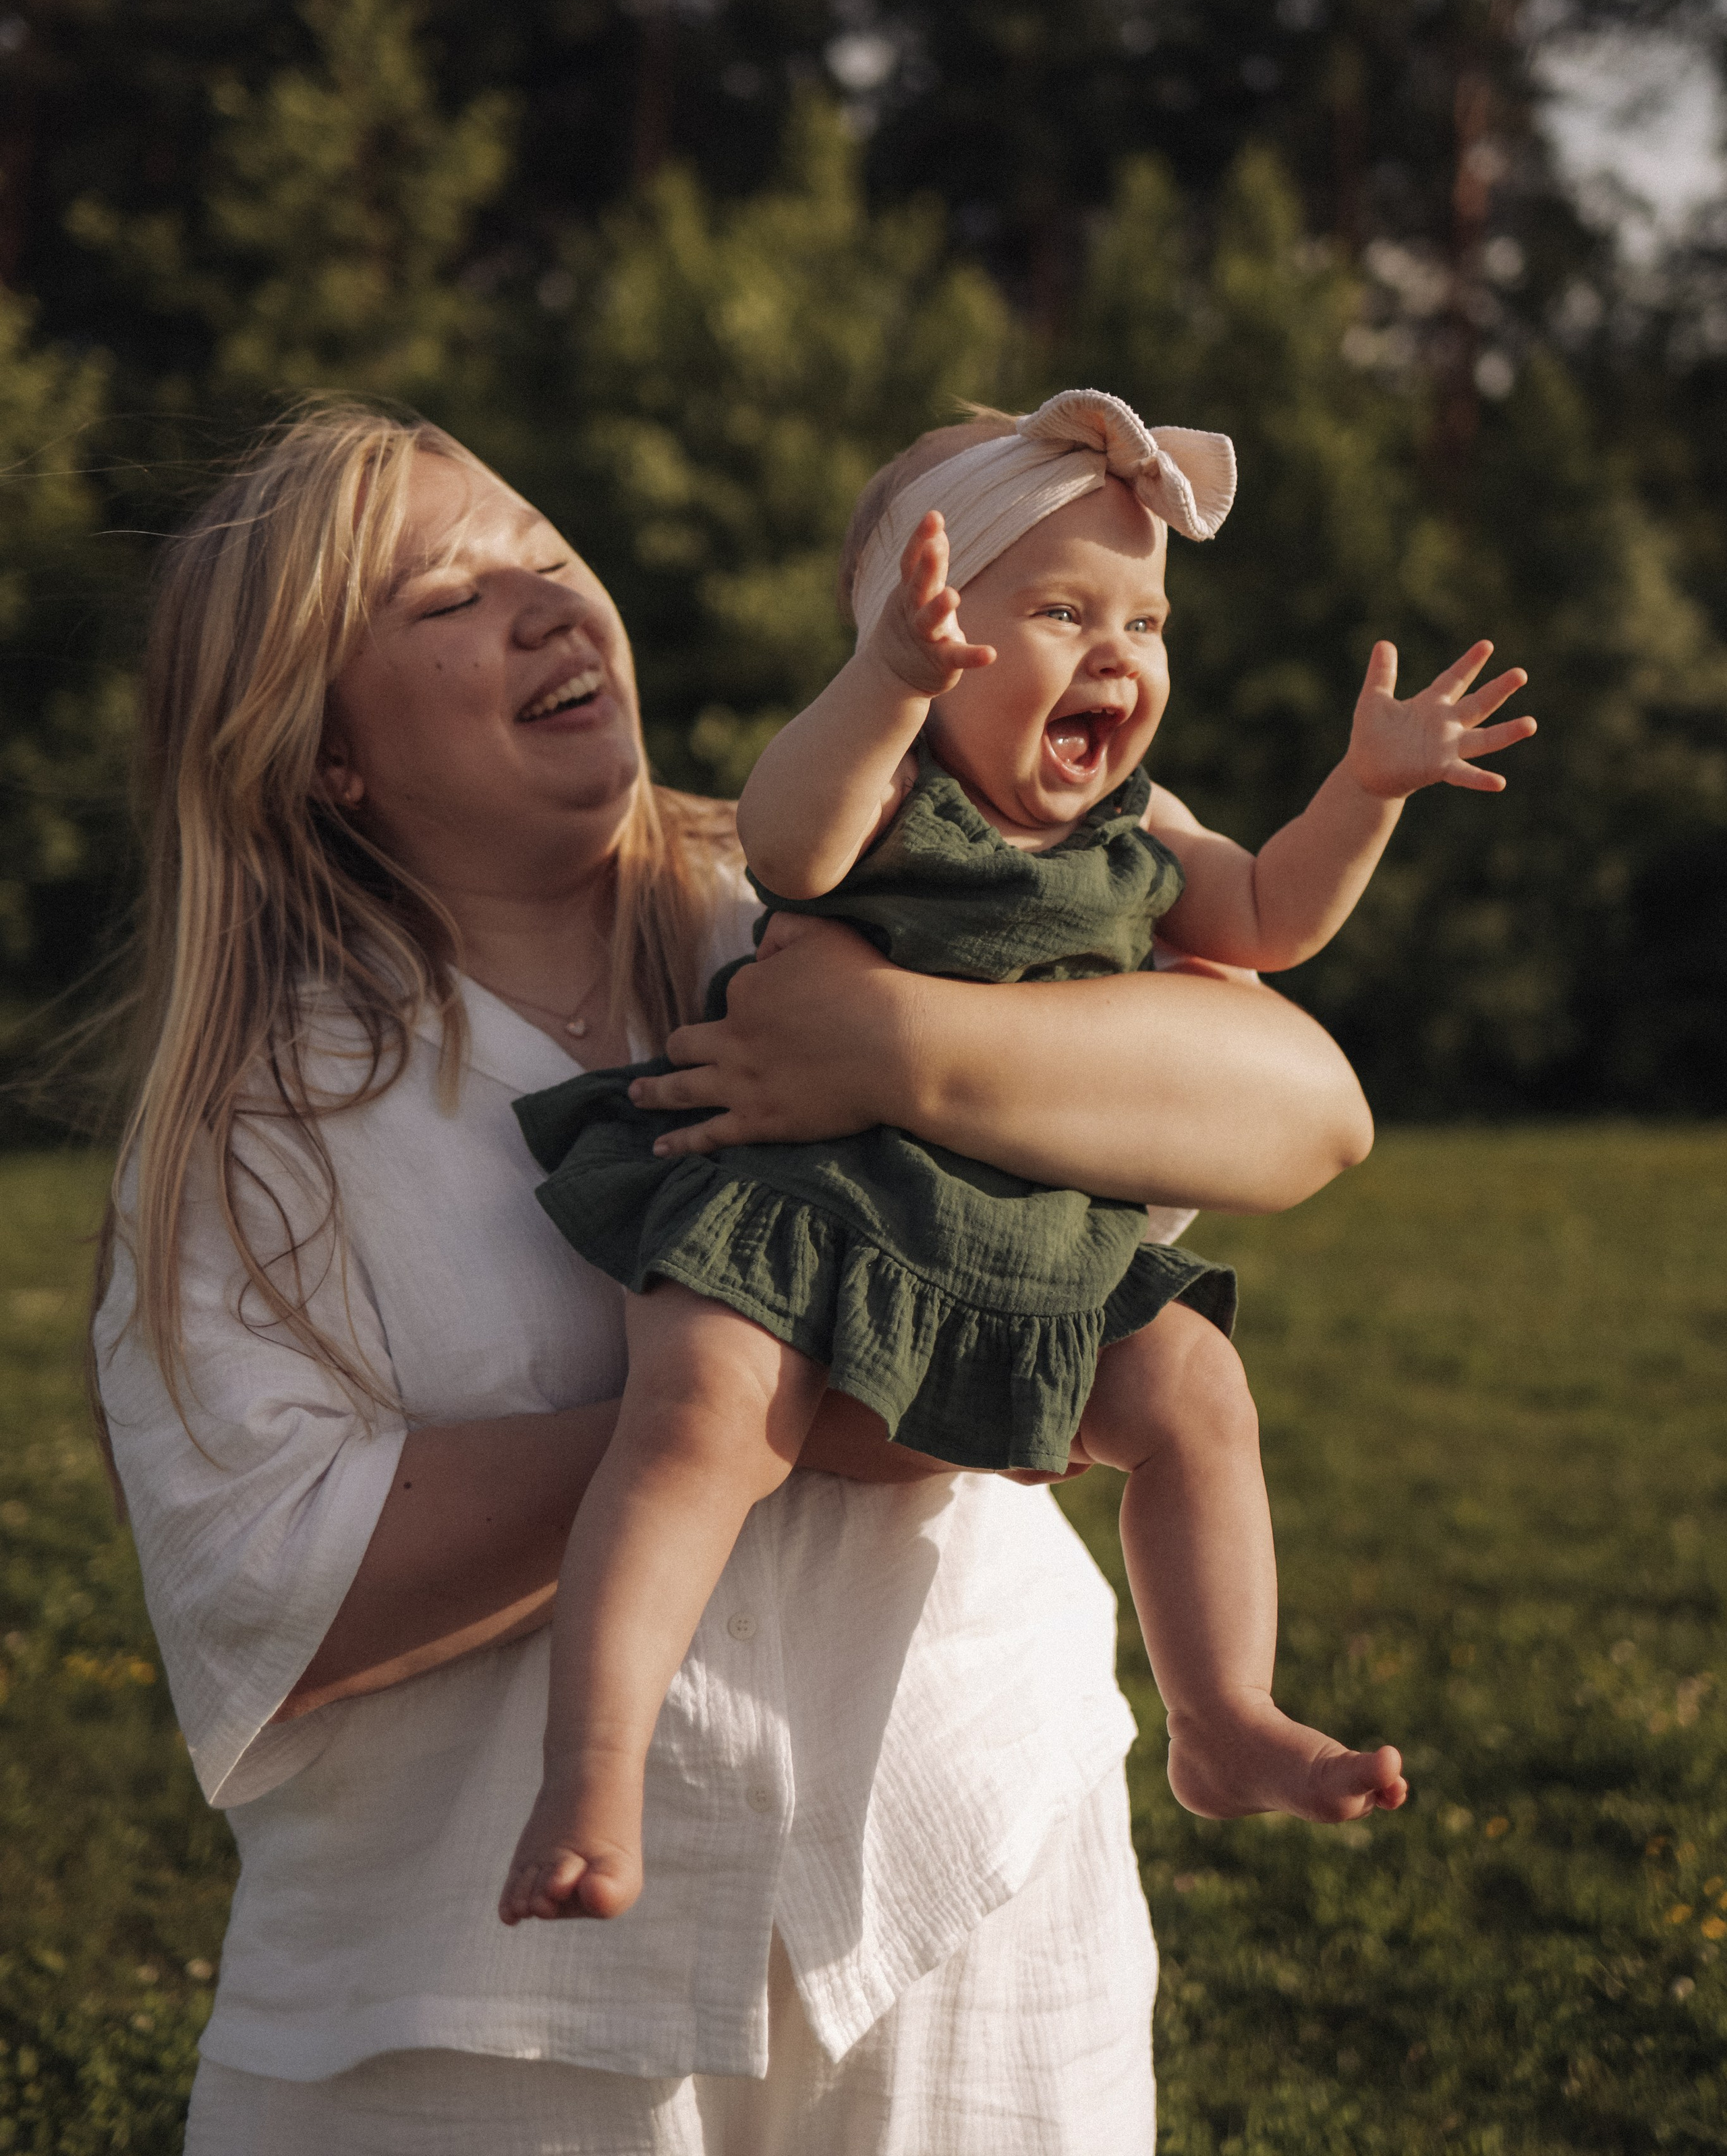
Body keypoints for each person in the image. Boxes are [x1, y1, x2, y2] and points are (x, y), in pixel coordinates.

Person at [94, 402, 1375, 2154]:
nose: (543, 608)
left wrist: (901, 1051)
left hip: (964, 1896)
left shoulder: (827, 892)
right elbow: (274, 1591)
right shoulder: (261, 1126)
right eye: (445, 599)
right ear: (321, 745)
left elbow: (1308, 1109)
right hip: (486, 2013)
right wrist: (796, 1402)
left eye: (544, 559)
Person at [503, 389, 1536, 1925]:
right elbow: (788, 844)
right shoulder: (880, 789)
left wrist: (1361, 792)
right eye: (1059, 609)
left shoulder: (1143, 829)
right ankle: (591, 1769)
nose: (1117, 652)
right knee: (700, 1410)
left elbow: (1268, 922)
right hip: (808, 1207)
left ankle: (1219, 1718)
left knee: (1195, 1389)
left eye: (1146, 619)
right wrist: (881, 689)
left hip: (1025, 1233)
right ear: (924, 641)